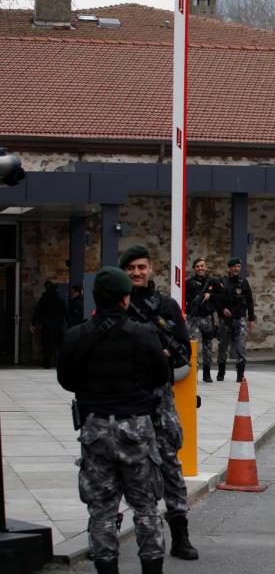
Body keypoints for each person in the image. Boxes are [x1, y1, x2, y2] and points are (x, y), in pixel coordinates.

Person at [57, 266, 169, 574]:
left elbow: (66, 379)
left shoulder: (76, 336)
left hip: (95, 428)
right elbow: (162, 375)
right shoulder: (143, 333)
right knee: (146, 507)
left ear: (95, 297)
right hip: (136, 426)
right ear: (124, 299)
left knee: (102, 511)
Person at [119, 245, 199, 561]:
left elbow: (182, 353)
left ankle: (180, 536)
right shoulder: (115, 306)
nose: (137, 273)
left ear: (151, 269)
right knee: (122, 469)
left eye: (142, 267)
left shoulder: (166, 306)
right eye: (131, 268)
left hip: (160, 401)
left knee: (170, 468)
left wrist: (159, 355)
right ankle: (115, 536)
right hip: (126, 401)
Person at [215, 256, 256, 383]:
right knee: (223, 346)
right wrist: (222, 310)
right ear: (229, 268)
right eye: (234, 266)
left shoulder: (243, 283)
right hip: (225, 320)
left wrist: (251, 319)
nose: (236, 268)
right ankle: (221, 371)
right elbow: (216, 299)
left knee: (240, 347)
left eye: (238, 266)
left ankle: (240, 374)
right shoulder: (222, 281)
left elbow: (249, 301)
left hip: (239, 319)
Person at [185, 257, 221, 383]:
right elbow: (184, 299)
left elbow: (223, 295)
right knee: (193, 347)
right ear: (195, 268)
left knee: (208, 347)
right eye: (198, 266)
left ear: (205, 267)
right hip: (193, 318)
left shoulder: (212, 281)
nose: (200, 268)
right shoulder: (188, 283)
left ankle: (207, 374)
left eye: (202, 266)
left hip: (207, 318)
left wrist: (211, 295)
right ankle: (192, 374)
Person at [31, 280, 67, 368]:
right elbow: (66, 313)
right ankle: (61, 363)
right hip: (58, 325)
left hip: (47, 325)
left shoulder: (44, 299)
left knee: (47, 345)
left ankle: (47, 364)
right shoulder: (60, 300)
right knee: (59, 345)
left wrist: (34, 323)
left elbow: (37, 312)